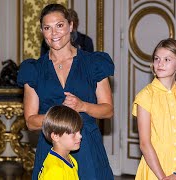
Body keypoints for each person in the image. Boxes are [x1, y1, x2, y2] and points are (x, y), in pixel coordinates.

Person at [17, 3, 114, 180]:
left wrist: (83, 105)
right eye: (47, 28)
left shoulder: (94, 63)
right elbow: (31, 122)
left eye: (59, 25)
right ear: (42, 31)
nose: (54, 33)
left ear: (70, 25)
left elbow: (107, 110)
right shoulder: (34, 70)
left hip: (87, 146)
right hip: (52, 148)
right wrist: (59, 116)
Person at [132, 38, 176, 180]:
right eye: (157, 59)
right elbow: (145, 144)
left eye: (167, 59)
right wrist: (162, 177)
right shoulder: (145, 97)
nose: (160, 63)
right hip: (155, 170)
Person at [38, 105, 82, 180]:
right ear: (55, 136)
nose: (80, 136)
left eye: (79, 131)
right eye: (73, 133)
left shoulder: (71, 159)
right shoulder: (55, 170)